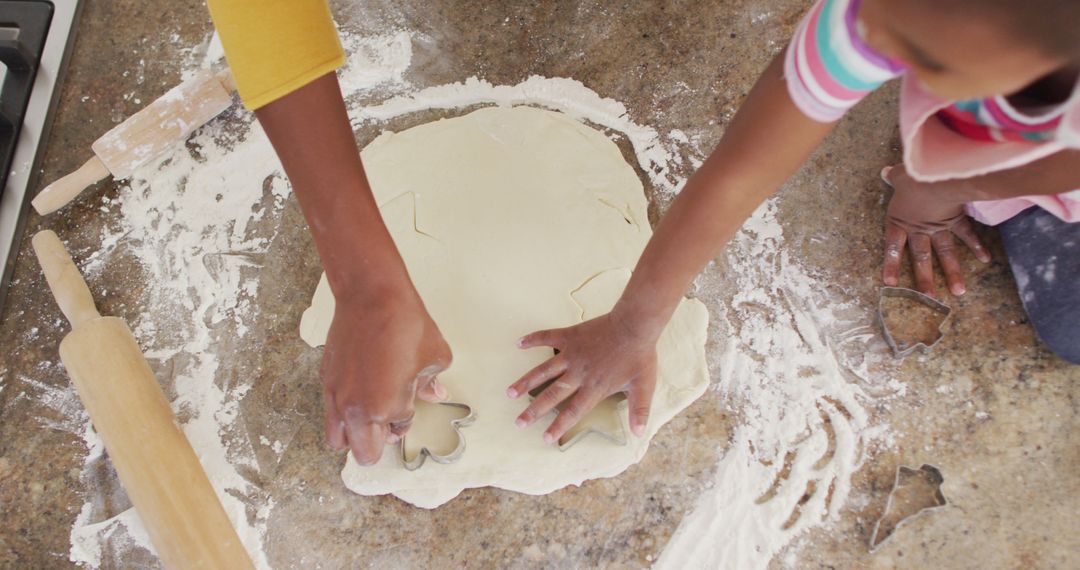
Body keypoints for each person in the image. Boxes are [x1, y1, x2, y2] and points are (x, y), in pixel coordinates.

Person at [207, 0, 1080, 466]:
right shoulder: (875, 18)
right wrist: (635, 320)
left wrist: (969, 175)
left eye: (921, 59)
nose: (873, 41)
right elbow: (748, 162)